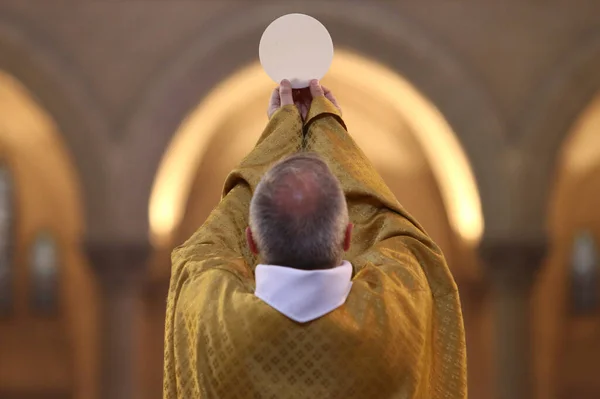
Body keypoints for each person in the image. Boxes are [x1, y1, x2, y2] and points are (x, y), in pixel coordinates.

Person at [163, 80, 467, 398]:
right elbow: (402, 235)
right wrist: (328, 128)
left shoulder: (211, 316)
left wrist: (280, 134)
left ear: (251, 241)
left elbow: (209, 241)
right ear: (348, 235)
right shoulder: (394, 317)